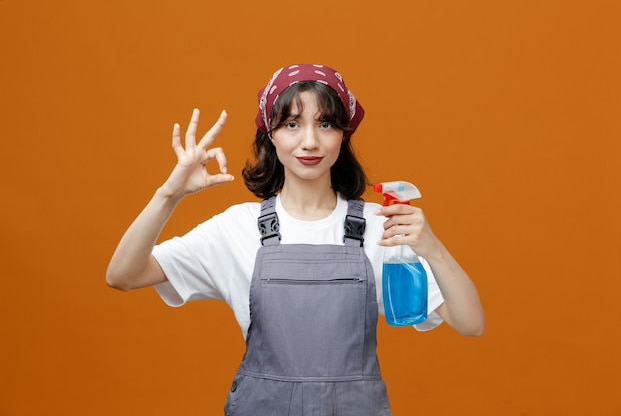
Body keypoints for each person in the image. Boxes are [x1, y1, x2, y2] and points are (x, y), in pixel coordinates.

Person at [106, 63, 485, 416]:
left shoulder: (379, 226)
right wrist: (169, 195)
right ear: (269, 134)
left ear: (343, 134)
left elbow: (470, 323)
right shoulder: (237, 228)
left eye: (325, 124)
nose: (309, 142)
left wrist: (432, 247)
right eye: (291, 124)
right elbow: (123, 275)